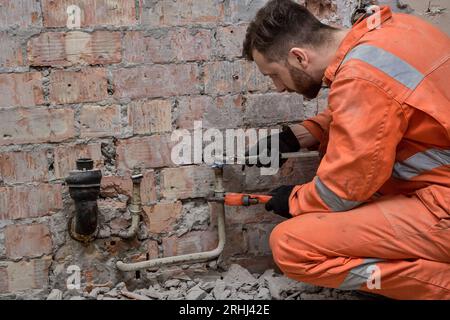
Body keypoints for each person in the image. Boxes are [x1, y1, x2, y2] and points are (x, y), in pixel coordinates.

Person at [242, 0, 450, 299]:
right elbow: (381, 104)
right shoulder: (394, 31)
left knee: (291, 246)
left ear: (299, 57)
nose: (277, 87)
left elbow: (343, 191)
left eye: (273, 74)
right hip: (436, 192)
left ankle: (438, 284)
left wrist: (294, 200)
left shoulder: (359, 77)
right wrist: (301, 135)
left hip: (441, 209)